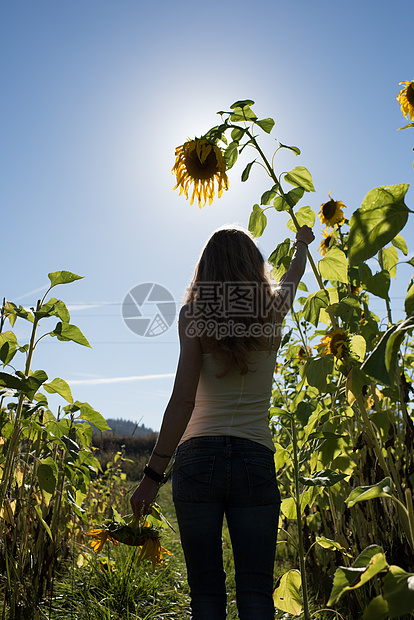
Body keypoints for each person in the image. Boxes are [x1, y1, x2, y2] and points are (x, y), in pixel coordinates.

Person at [130, 224, 315, 620]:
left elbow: (183, 401)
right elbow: (294, 273)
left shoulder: (193, 315)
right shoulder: (274, 309)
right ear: (254, 266)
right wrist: (301, 242)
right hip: (255, 459)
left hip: (198, 461)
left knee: (207, 594)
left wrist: (151, 476)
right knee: (255, 591)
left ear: (206, 271)